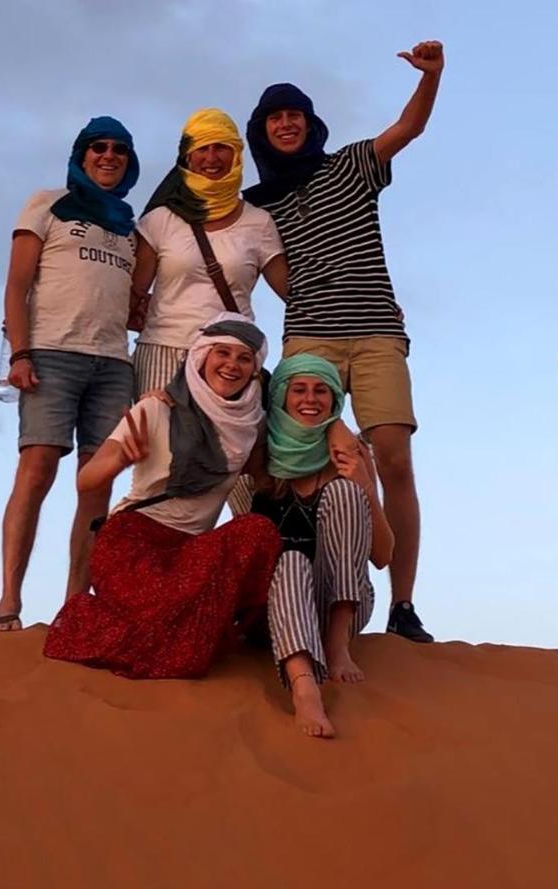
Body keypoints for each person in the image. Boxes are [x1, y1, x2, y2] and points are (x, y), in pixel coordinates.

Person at [242, 40, 445, 642]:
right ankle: (281, 589)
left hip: (377, 331)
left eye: (295, 115)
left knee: (395, 459)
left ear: (310, 124)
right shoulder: (256, 205)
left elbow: (409, 127)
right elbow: (243, 255)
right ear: (262, 131)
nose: (286, 124)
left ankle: (402, 605)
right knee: (286, 462)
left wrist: (431, 77)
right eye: (275, 118)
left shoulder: (351, 165)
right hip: (310, 335)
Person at [43, 314, 283, 678]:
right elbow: (86, 481)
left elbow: (270, 479)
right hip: (132, 543)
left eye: (244, 358)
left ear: (254, 369)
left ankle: (185, 633)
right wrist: (120, 460)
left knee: (257, 531)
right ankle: (88, 623)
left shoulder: (250, 426)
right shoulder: (157, 409)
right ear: (202, 356)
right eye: (222, 352)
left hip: (192, 557)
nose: (232, 365)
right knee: (183, 644)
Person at [0, 116, 140, 632]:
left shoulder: (128, 225)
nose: (108, 155)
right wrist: (20, 354)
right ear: (81, 153)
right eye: (98, 147)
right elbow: (16, 285)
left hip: (113, 363)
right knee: (37, 469)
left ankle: (76, 605)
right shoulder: (47, 204)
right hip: (52, 352)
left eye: (119, 149)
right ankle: (9, 602)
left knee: (97, 483)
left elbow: (134, 302)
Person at [252, 354, 393, 738]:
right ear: (280, 396)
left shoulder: (351, 455)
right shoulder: (255, 457)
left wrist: (365, 485)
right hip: (280, 604)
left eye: (322, 391)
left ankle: (336, 644)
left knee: (345, 493)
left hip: (342, 600)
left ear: (335, 400)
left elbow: (382, 557)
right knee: (291, 560)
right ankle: (304, 687)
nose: (310, 399)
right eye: (298, 389)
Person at [130, 108, 288, 396]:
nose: (211, 158)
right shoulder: (159, 219)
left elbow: (294, 293)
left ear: (237, 155)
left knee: (227, 443)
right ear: (187, 157)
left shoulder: (259, 222)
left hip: (230, 356)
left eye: (221, 148)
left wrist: (366, 304)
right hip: (163, 349)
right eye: (202, 148)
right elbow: (132, 293)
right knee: (158, 440)